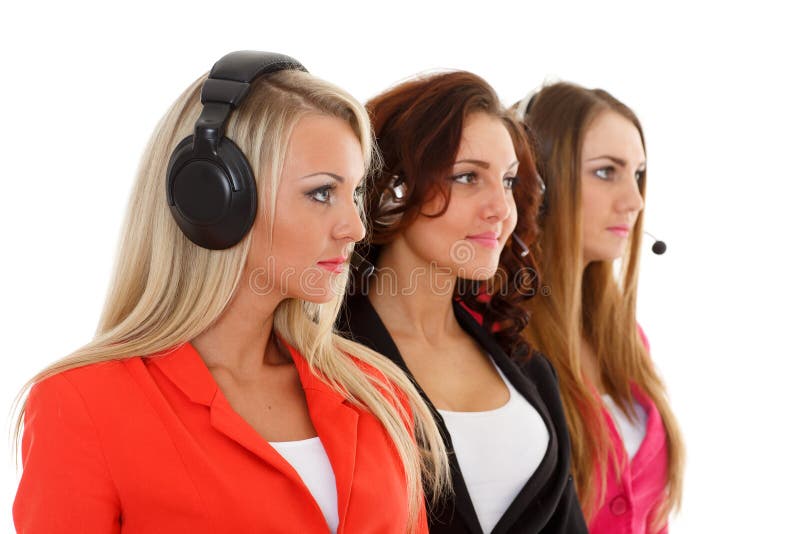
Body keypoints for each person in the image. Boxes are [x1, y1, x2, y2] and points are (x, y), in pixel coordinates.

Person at [12, 51, 450, 534]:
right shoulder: (81, 404)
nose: (354, 227)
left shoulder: (375, 390)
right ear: (216, 199)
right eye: (321, 192)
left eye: (353, 192)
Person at [337, 71, 587, 533]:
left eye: (509, 181)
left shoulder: (528, 368)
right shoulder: (325, 359)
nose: (500, 208)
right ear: (392, 188)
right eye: (469, 177)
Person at [514, 82, 685, 533]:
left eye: (638, 174)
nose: (635, 201)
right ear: (538, 185)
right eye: (607, 171)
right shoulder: (490, 337)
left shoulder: (625, 337)